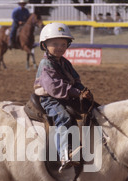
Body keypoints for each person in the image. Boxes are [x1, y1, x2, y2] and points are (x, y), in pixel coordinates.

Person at [34, 23, 94, 172]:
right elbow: (54, 87)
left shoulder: (65, 62)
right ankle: (64, 155)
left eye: (63, 44)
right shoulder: (46, 64)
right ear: (44, 45)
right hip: (50, 98)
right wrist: (76, 92)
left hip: (65, 95)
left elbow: (75, 79)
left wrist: (83, 90)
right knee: (64, 117)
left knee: (93, 110)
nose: (60, 47)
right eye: (55, 44)